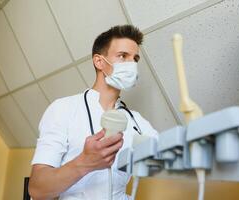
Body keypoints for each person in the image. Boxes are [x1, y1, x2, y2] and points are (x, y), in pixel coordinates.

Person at [29, 25, 158, 200]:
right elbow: (37, 189)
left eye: (135, 59)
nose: (131, 65)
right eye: (122, 56)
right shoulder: (63, 109)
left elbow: (165, 155)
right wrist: (84, 163)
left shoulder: (137, 122)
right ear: (99, 62)